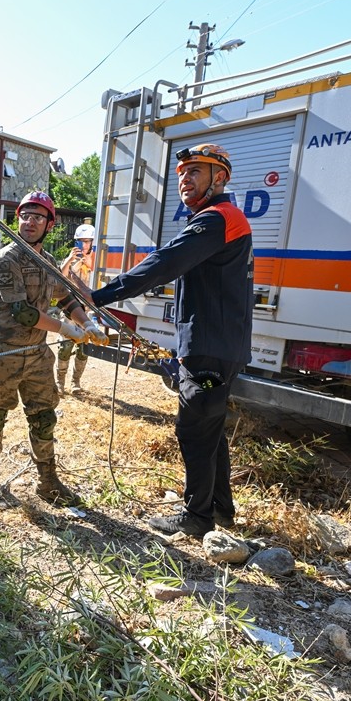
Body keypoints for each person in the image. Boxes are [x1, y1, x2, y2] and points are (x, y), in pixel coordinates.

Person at [82, 143, 253, 538]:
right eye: (182, 173)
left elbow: (164, 263)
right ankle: (222, 508)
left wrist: (101, 295)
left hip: (210, 348)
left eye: (196, 171)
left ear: (220, 178)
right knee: (209, 428)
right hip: (216, 345)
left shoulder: (216, 219)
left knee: (193, 430)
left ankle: (197, 517)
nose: (185, 179)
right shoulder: (222, 220)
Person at [0, 191, 107, 506]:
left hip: (36, 354)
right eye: (25, 216)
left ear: (49, 225)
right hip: (3, 352)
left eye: (38, 217)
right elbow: (22, 312)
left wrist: (88, 324)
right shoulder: (7, 258)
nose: (30, 222)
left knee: (44, 416)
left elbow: (66, 297)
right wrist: (64, 328)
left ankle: (48, 481)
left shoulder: (46, 262)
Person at [56, 221, 97, 394]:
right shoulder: (71, 259)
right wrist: (70, 260)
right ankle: (60, 383)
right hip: (70, 310)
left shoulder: (97, 259)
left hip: (88, 312)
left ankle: (76, 383)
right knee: (65, 347)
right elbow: (60, 277)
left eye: (88, 241)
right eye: (82, 241)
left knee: (83, 350)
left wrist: (89, 261)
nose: (85, 244)